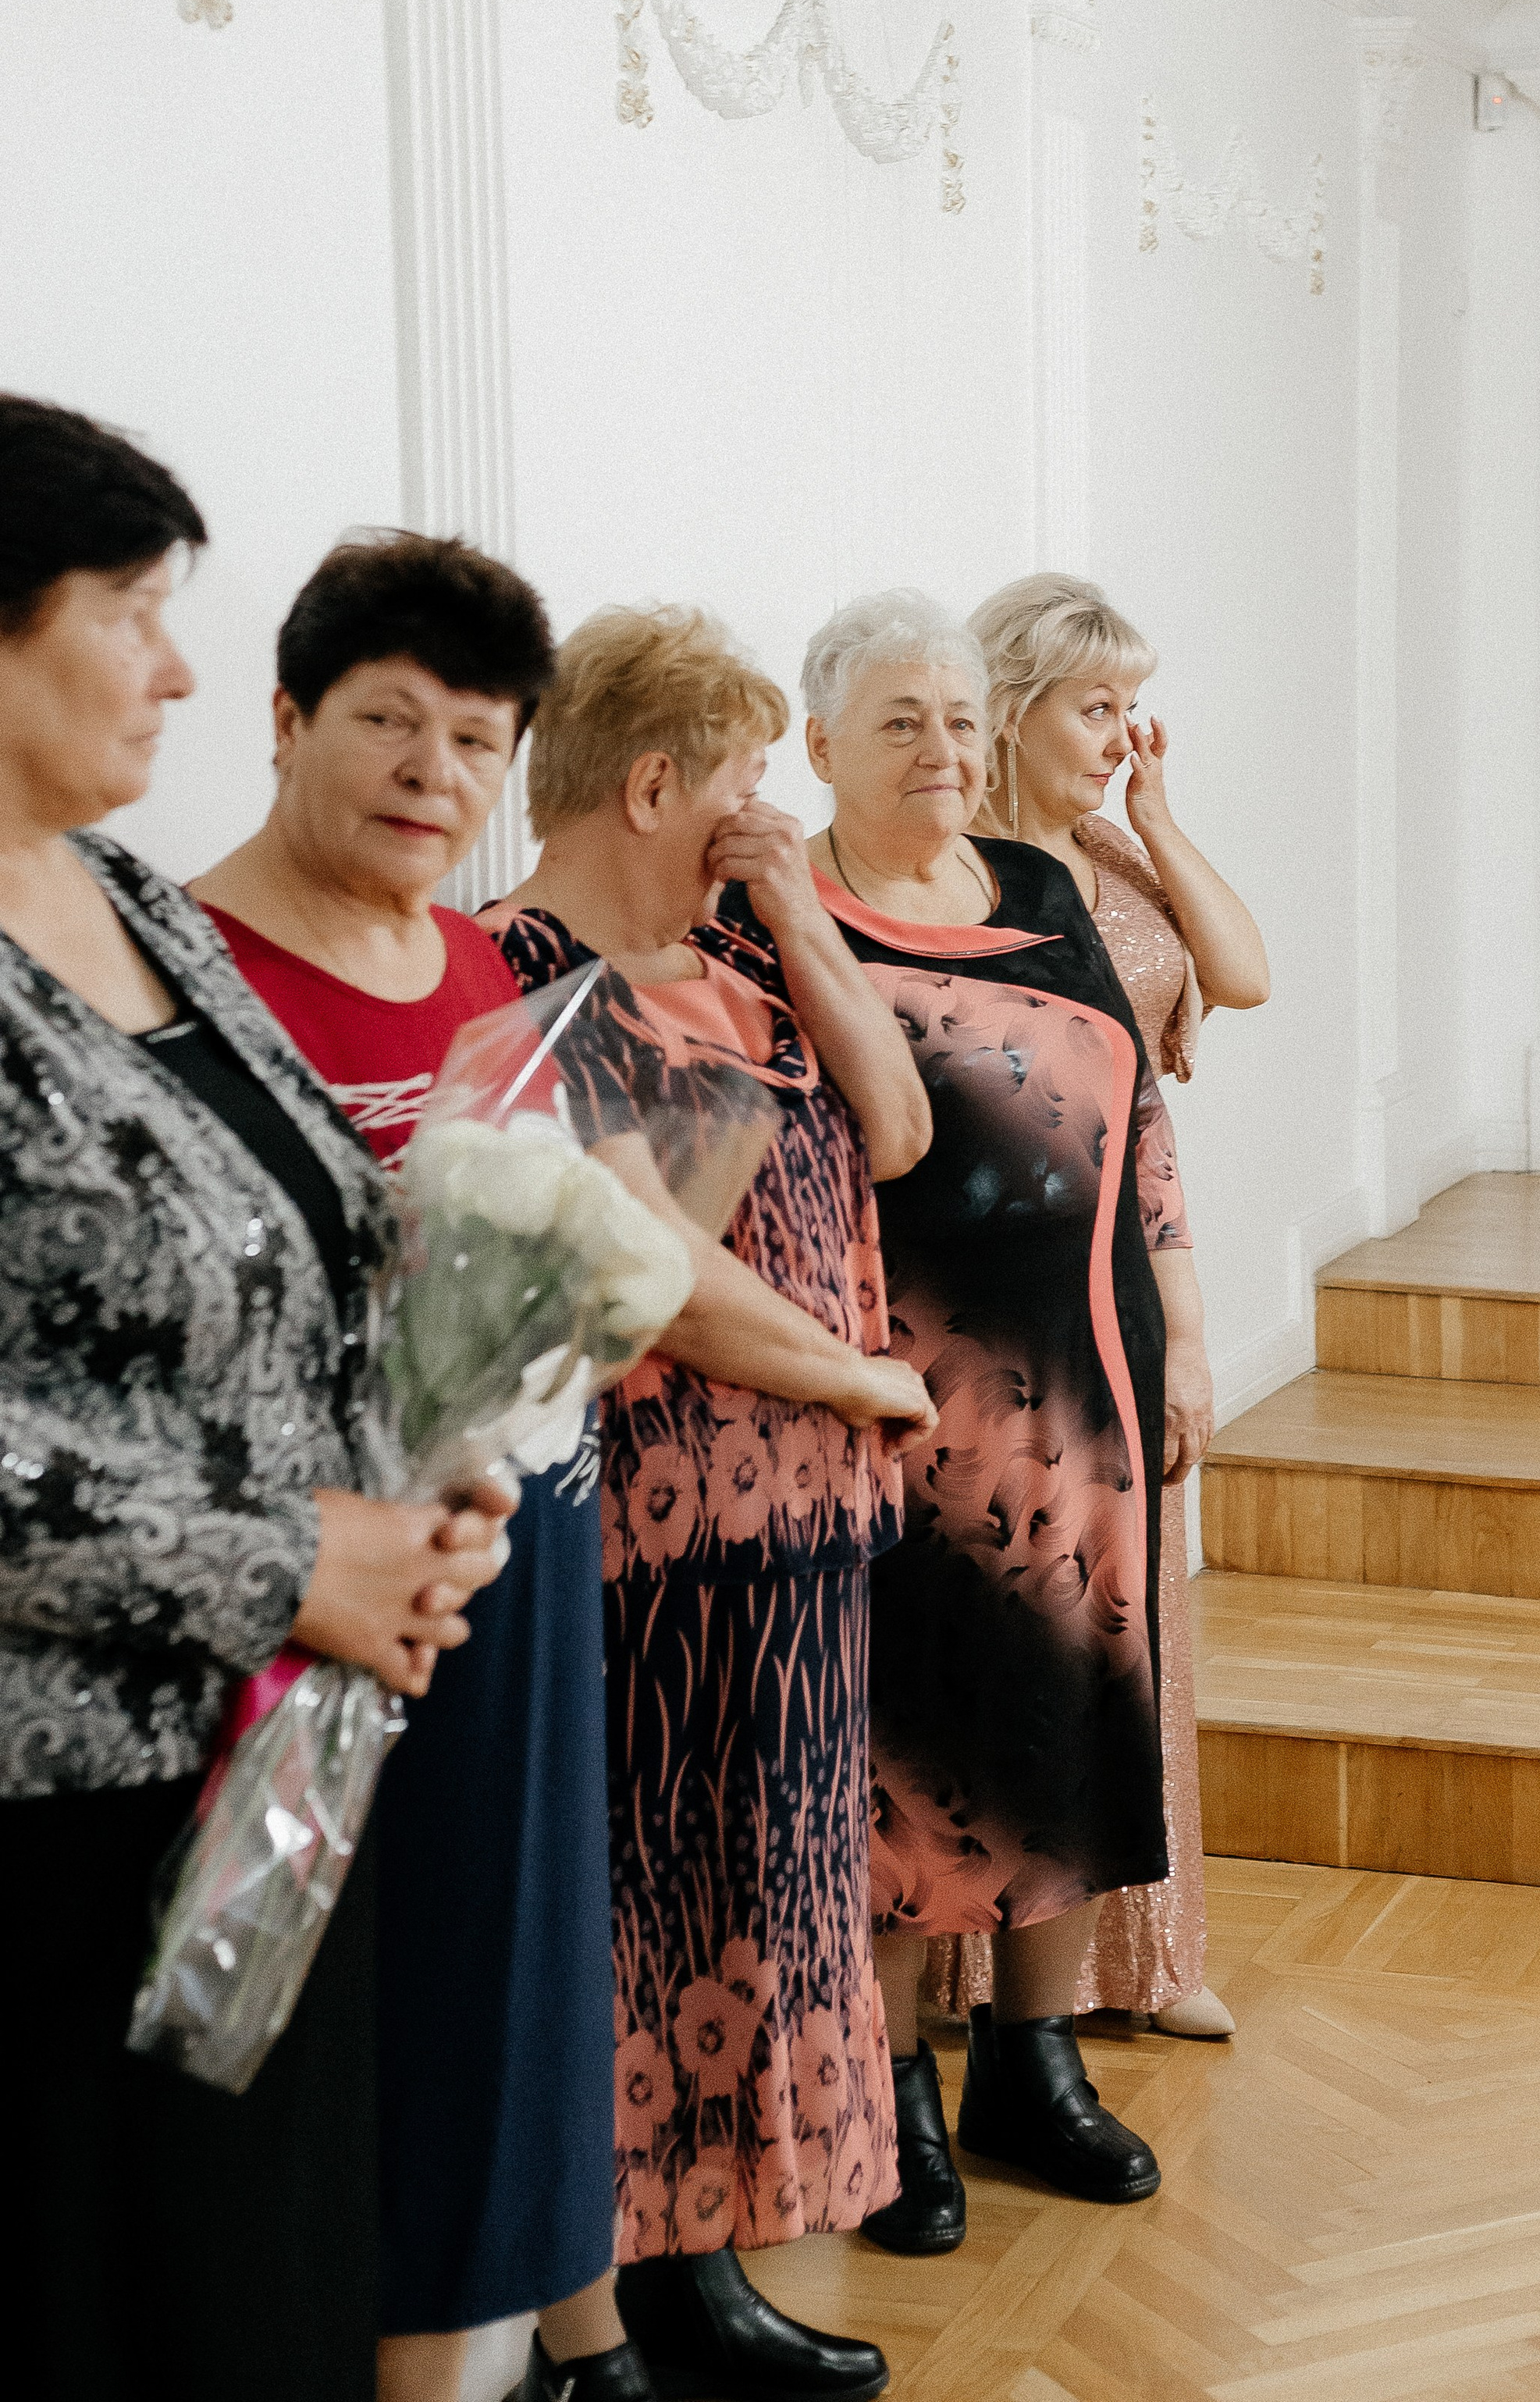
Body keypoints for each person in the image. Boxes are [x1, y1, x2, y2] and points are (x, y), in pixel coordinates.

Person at [0, 400, 507, 2402]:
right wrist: (284, 1554)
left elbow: (306, 1252)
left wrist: (430, 1463)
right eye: (134, 610)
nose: (184, 669)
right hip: (47, 1822)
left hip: (265, 1777)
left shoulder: (121, 897)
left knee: (264, 2291)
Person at [188, 532, 660, 2402]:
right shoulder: (182, 963)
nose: (429, 776)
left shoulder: (476, 958)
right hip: (319, 1580)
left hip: (515, 1555)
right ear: (287, 716)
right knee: (318, 2017)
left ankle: (483, 2362)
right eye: (388, 723)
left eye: (475, 744)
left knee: (500, 1997)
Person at [483, 604, 936, 2402]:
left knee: (752, 1915)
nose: (763, 814)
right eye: (744, 780)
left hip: (795, 1543)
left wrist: (800, 911)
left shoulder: (733, 957)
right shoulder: (510, 967)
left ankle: (705, 2274)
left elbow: (890, 1126)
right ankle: (591, 2325)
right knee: (633, 1917)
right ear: (650, 780)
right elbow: (637, 1260)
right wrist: (853, 1376)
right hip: (645, 1543)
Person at [781, 589, 1172, 2263]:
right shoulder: (782, 911)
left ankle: (1037, 2055)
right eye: (896, 723)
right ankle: (897, 2094)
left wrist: (1187, 1329)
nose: (940, 750)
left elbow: (1136, 1115)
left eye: (955, 719)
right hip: (896, 1389)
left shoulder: (1037, 887)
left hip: (1085, 1368)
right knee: (904, 1738)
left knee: (1071, 1705)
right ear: (817, 749)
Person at [965, 571, 1270, 2044]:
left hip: (1143, 1251)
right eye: (1095, 706)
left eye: (1129, 704)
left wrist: (1150, 817)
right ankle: (991, 1965)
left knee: (1143, 1602)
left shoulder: (1108, 850)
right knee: (1019, 1609)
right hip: (1008, 1273)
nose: (1121, 729)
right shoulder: (954, 868)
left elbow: (1244, 973)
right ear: (1014, 709)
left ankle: (1151, 1956)